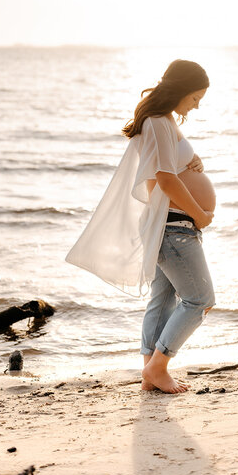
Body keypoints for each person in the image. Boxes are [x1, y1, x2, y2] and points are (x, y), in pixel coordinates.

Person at [65, 59, 216, 394]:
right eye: (194, 98)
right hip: (176, 226)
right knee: (200, 299)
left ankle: (150, 370)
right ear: (180, 90)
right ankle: (158, 367)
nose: (196, 105)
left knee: (162, 299)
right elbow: (162, 180)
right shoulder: (160, 122)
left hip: (170, 225)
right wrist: (199, 214)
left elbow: (168, 170)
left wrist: (193, 162)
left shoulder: (160, 122)